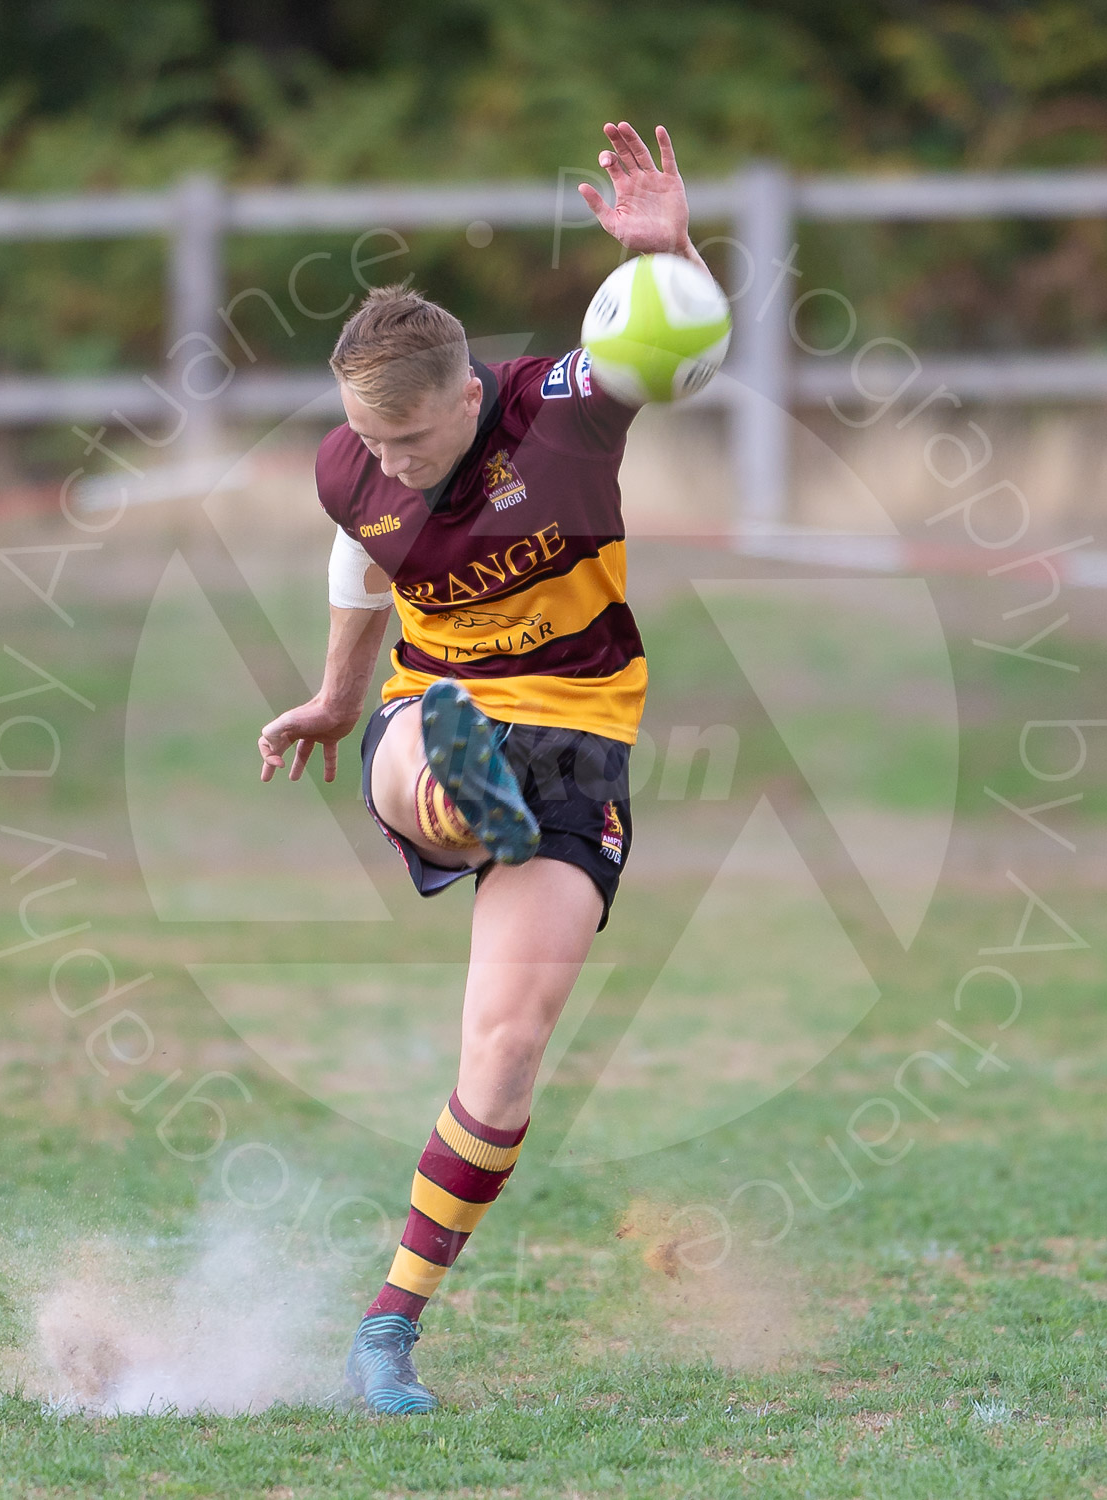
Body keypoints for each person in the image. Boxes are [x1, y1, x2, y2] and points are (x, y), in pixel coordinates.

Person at [258, 122, 714, 1415]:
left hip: (582, 733)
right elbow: (360, 553)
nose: (386, 461)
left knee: (507, 1054)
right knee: (431, 775)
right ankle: (465, 795)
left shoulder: (559, 415)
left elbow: (668, 346)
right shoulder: (352, 465)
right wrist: (339, 698)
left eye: (410, 439)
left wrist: (670, 258)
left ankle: (390, 1327)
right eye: (369, 442)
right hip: (433, 705)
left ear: (469, 397)